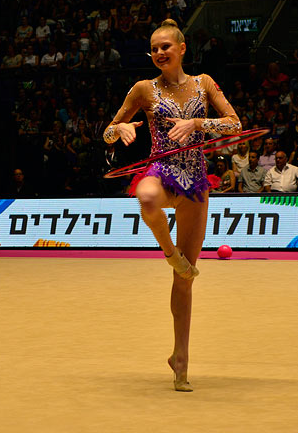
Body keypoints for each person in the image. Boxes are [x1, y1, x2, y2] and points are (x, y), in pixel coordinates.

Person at [102, 19, 241, 392]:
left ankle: (180, 357)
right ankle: (169, 253)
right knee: (145, 197)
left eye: (166, 46)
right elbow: (108, 130)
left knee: (185, 280)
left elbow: (235, 124)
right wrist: (123, 130)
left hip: (195, 180)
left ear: (182, 49)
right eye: (154, 48)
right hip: (161, 171)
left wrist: (198, 122)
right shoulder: (143, 89)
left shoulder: (204, 84)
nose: (160, 52)